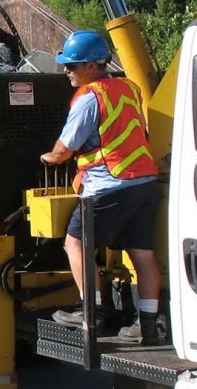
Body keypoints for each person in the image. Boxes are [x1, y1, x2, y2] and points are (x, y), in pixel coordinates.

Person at [39, 30, 162, 344]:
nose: (67, 71)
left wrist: (50, 157)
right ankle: (147, 324)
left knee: (75, 243)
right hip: (144, 183)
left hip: (109, 185)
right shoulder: (129, 88)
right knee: (142, 254)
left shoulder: (90, 96)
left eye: (73, 65)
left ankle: (89, 311)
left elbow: (66, 147)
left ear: (94, 65)